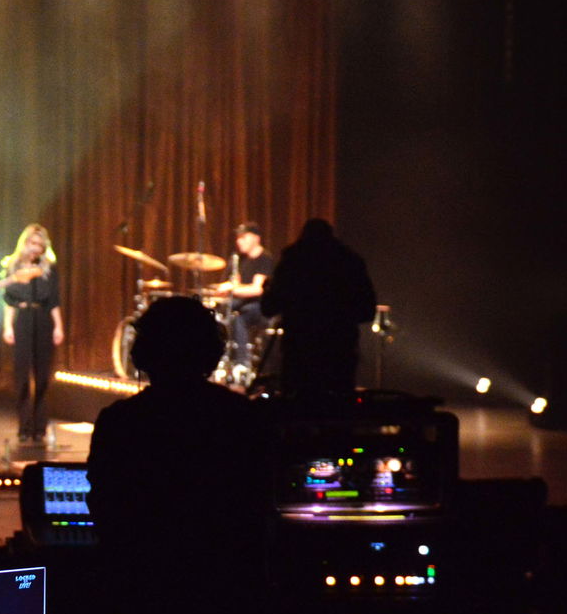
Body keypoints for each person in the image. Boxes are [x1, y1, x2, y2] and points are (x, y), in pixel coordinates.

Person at [87, 296, 271, 572]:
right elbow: (259, 506)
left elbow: (106, 511)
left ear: (142, 355)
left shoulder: (119, 421)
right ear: (212, 352)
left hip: (140, 581)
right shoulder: (242, 416)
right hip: (228, 581)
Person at [259, 217, 376, 398]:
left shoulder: (292, 260)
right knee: (338, 414)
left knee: (297, 413)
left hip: (299, 353)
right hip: (340, 352)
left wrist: (268, 290)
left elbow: (269, 307)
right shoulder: (351, 261)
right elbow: (367, 311)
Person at [0, 223, 65, 446]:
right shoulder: (14, 266)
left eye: (40, 244)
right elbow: (9, 300)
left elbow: (54, 299)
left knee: (43, 375)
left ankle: (40, 425)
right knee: (22, 375)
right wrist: (7, 327)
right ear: (25, 243)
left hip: (43, 318)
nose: (36, 248)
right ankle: (24, 425)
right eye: (33, 243)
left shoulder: (49, 268)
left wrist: (58, 326)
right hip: (23, 318)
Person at [222, 221, 272, 376]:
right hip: (242, 303)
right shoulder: (239, 260)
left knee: (240, 317)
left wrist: (232, 289)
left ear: (256, 238)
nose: (239, 241)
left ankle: (242, 362)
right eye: (238, 237)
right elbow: (234, 283)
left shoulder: (265, 259)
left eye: (243, 237)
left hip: (261, 306)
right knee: (226, 311)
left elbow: (257, 289)